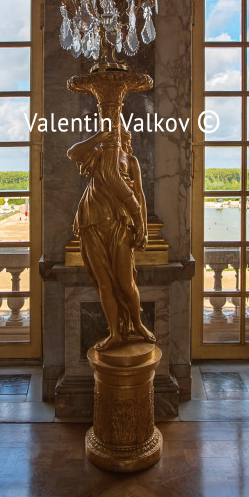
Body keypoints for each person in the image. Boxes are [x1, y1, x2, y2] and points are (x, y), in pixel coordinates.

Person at [68, 124, 155, 351]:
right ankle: (115, 333)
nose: (122, 138)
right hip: (91, 222)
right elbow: (73, 153)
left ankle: (137, 324)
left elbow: (139, 196)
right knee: (104, 283)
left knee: (126, 283)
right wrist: (98, 137)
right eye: (117, 134)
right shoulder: (97, 154)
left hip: (120, 224)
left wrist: (142, 228)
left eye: (124, 135)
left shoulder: (130, 161)